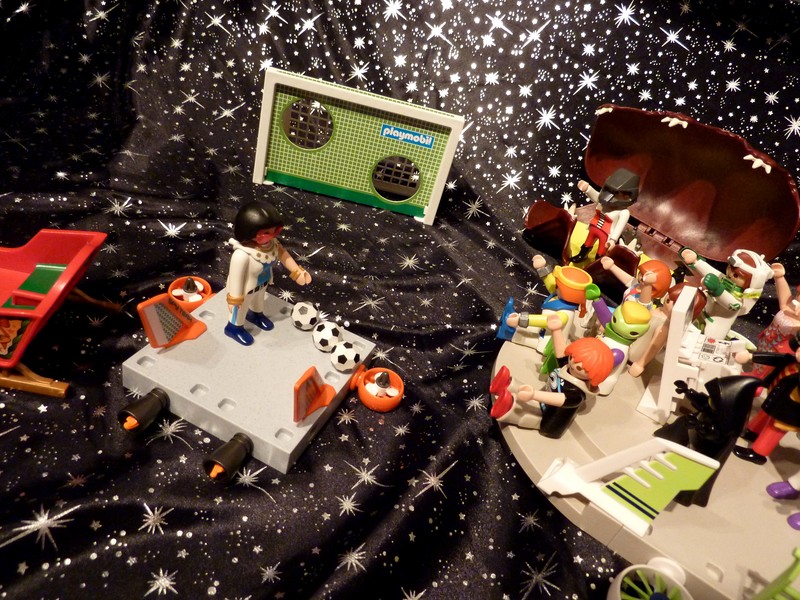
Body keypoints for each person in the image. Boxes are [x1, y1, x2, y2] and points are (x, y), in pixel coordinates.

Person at [490, 313, 614, 438]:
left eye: (580, 367)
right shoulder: (568, 368)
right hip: (543, 399)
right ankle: (508, 385)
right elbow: (561, 353)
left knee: (530, 416)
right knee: (528, 394)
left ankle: (508, 409)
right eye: (573, 357)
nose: (573, 363)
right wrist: (556, 330)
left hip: (551, 418)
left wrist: (534, 395)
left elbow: (559, 399)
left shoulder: (576, 394)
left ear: (595, 374)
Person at [224, 201, 312, 346]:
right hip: (244, 290)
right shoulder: (242, 255)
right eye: (266, 233)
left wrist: (297, 272)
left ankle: (256, 315)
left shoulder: (272, 245)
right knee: (239, 311)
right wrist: (234, 299)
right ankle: (234, 328)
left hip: (262, 284)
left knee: (258, 302)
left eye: (275, 231)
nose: (271, 236)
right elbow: (236, 278)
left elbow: (284, 255)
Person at [570, 168, 640, 263]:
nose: (609, 196)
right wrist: (588, 189)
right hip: (594, 227)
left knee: (601, 251)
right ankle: (582, 255)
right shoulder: (604, 202)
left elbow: (619, 227)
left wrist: (613, 240)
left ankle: (597, 264)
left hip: (606, 233)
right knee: (587, 243)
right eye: (609, 190)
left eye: (616, 193)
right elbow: (597, 196)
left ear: (626, 196)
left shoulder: (623, 212)